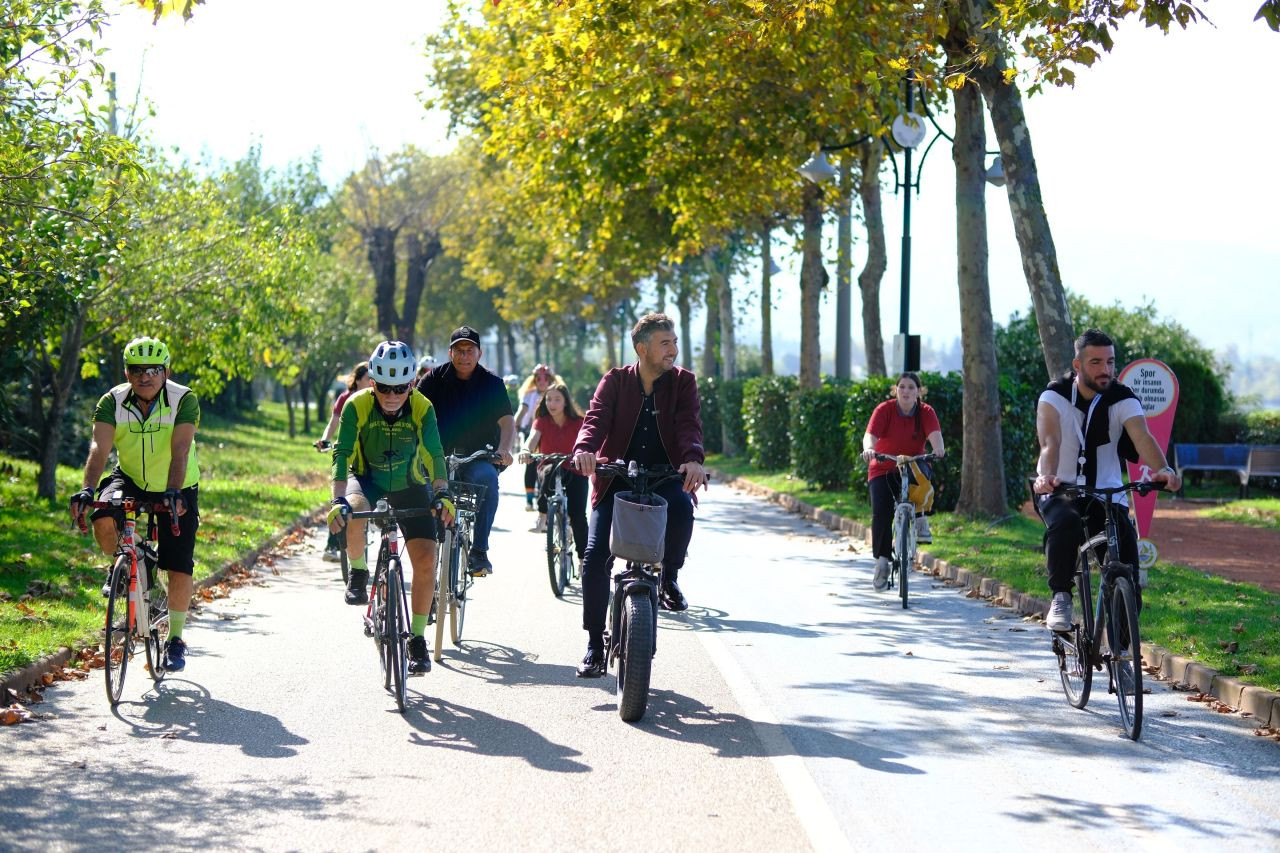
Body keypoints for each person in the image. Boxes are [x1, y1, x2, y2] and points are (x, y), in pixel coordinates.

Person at [572, 313, 708, 678]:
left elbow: (688, 424)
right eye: (666, 343)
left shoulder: (683, 383)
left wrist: (693, 459)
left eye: (675, 342)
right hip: (616, 476)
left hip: (664, 475)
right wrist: (585, 450)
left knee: (682, 506)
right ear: (642, 348)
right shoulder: (615, 381)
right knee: (594, 556)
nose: (673, 350)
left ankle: (669, 576)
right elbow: (595, 420)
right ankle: (594, 645)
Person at [1032, 329, 1181, 632]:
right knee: (1066, 523)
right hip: (1059, 488)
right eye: (1096, 362)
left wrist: (1164, 470)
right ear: (1078, 365)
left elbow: (1142, 437)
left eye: (1110, 362)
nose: (1106, 370)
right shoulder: (1054, 396)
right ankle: (1060, 595)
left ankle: (1123, 654)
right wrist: (1046, 476)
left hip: (1106, 493)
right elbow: (1050, 442)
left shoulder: (1123, 397)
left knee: (1125, 566)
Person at [69, 336, 201, 673]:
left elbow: (181, 449)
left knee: (178, 564)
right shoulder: (111, 401)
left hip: (177, 483)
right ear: (127, 373)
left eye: (153, 369)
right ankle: (130, 559)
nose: (146, 376)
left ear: (165, 371)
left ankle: (174, 639)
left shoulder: (183, 398)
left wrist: (173, 492)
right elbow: (99, 449)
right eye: (137, 370)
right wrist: (86, 489)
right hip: (128, 476)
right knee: (102, 514)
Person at [327, 340, 455, 674]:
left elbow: (433, 452)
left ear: (411, 384)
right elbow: (341, 454)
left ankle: (416, 639)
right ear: (373, 383)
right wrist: (337, 498)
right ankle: (357, 572)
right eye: (384, 387)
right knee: (353, 509)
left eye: (400, 387)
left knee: (426, 559)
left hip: (410, 484)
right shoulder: (356, 406)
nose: (392, 395)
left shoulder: (422, 407)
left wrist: (442, 492)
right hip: (366, 478)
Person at [415, 325, 515, 576]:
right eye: (458, 350)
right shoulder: (432, 380)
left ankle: (479, 551)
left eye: (470, 350)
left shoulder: (492, 384)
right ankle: (429, 554)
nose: (464, 355)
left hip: (477, 455)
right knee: (420, 494)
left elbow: (507, 420)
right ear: (450, 353)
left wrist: (504, 449)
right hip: (436, 456)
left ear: (479, 353)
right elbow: (412, 413)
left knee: (488, 481)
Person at [859, 372, 945, 592]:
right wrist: (869, 449)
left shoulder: (926, 412)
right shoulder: (884, 410)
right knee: (882, 513)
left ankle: (920, 519)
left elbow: (936, 437)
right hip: (883, 466)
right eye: (902, 387)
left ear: (919, 392)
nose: (906, 391)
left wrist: (938, 450)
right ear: (895, 390)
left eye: (911, 388)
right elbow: (870, 435)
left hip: (913, 464)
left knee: (924, 477)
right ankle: (882, 562)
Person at [518, 382, 588, 562]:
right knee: (549, 472)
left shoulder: (579, 422)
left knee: (578, 518)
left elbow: (588, 442)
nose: (552, 403)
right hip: (549, 466)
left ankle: (582, 561)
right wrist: (526, 451)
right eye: (548, 399)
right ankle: (542, 516)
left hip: (575, 469)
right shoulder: (541, 421)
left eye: (557, 399)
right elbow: (532, 439)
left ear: (566, 402)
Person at [315, 361, 372, 562]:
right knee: (341, 501)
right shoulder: (346, 399)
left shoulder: (379, 400)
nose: (372, 382)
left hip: (370, 458)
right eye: (368, 379)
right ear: (357, 380)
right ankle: (332, 545)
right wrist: (324, 440)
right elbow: (333, 422)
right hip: (349, 455)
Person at [513, 364, 557, 515]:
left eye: (546, 378)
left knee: (548, 464)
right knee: (531, 464)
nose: (542, 381)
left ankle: (544, 496)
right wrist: (513, 425)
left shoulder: (556, 394)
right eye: (538, 378)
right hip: (531, 433)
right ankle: (529, 499)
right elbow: (522, 411)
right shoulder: (529, 395)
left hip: (550, 435)